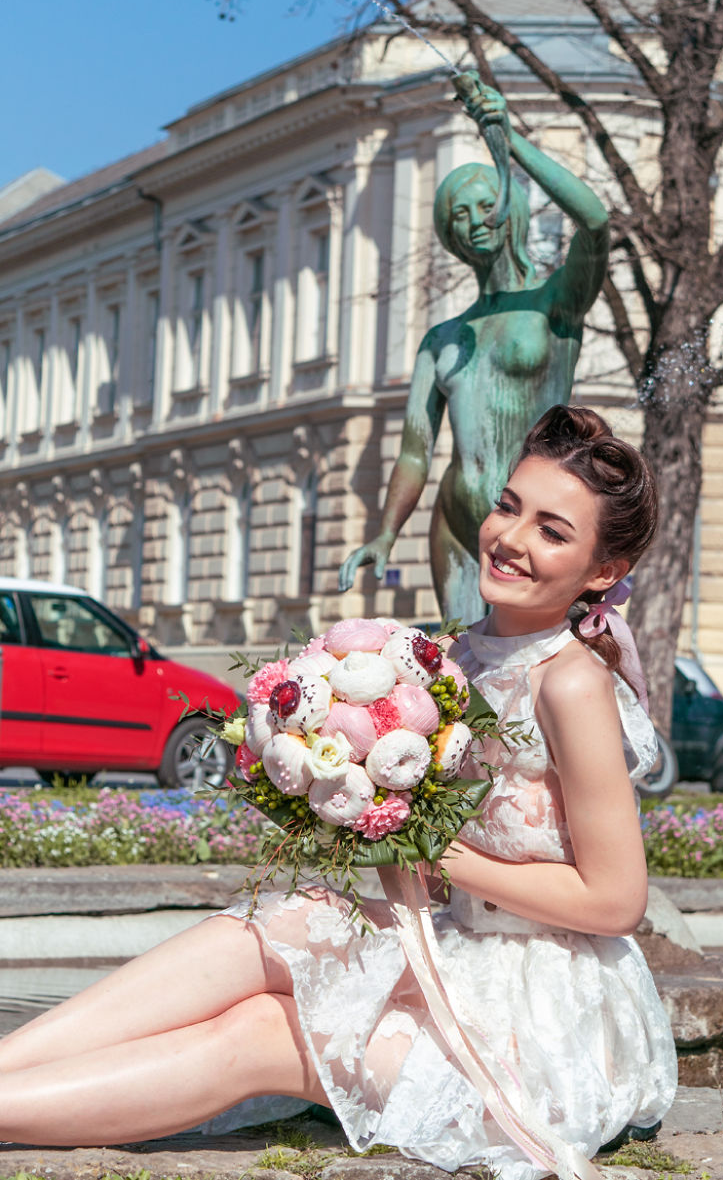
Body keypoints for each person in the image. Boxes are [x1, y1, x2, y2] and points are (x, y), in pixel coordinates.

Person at [0, 405, 676, 1180]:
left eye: (553, 531)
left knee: (265, 1033)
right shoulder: (450, 656)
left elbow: (617, 899)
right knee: (268, 925)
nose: (513, 539)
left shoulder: (572, 682)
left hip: (550, 1013)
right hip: (460, 946)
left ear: (603, 572)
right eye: (509, 506)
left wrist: (438, 856)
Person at [339, 78, 610, 623]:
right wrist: (386, 532)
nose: (473, 221)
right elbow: (415, 452)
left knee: (525, 671)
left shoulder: (555, 302)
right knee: (464, 680)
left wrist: (510, 141)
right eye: (458, 215)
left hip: (537, 518)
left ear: (510, 208)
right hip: (458, 519)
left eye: (485, 204)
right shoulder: (442, 338)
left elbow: (595, 220)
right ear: (451, 236)